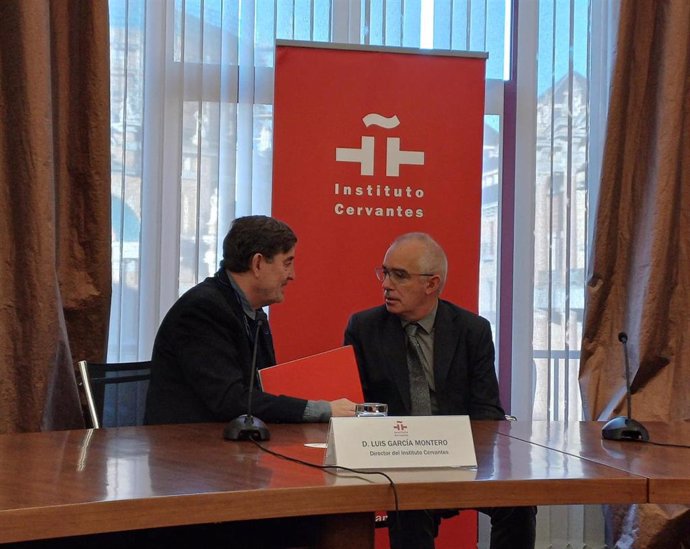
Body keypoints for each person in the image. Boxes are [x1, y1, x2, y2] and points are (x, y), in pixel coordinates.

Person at [344, 232, 537, 549]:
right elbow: (357, 408)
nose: (386, 284)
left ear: (431, 284)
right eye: (385, 272)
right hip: (398, 459)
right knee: (409, 504)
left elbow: (488, 410)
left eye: (399, 275)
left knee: (518, 502)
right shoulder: (364, 328)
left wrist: (462, 453)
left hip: (460, 455)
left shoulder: (471, 330)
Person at [145, 215, 356, 425]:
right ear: (257, 264)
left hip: (236, 444)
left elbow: (263, 389)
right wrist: (320, 409)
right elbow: (229, 400)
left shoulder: (253, 313)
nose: (292, 275)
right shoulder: (202, 310)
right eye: (287, 263)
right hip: (188, 448)